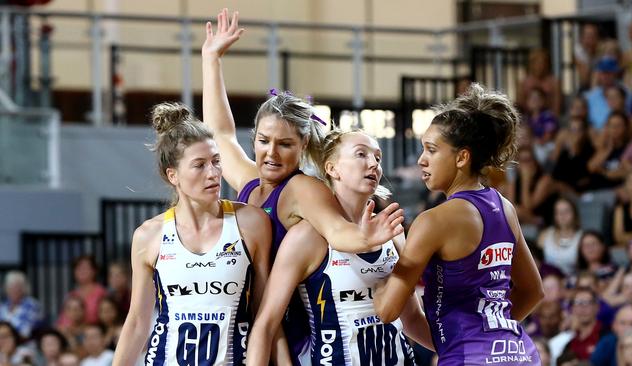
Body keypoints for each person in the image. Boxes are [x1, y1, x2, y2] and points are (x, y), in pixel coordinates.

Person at [201, 9, 404, 363]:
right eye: (264, 141)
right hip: (249, 323)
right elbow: (220, 133)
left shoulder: (301, 190)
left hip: (289, 333)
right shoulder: (250, 183)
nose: (272, 153)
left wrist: (369, 238)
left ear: (302, 147)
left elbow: (337, 230)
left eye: (286, 145)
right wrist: (211, 59)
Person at [373, 83, 544, 364]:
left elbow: (388, 310)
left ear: (462, 157)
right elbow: (533, 291)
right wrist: (489, 339)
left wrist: (376, 280)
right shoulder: (505, 207)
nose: (421, 160)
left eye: (431, 150)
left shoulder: (433, 221)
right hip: (518, 353)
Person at [247, 129, 432, 365]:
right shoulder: (308, 236)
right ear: (332, 168)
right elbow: (266, 325)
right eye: (361, 154)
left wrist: (463, 350)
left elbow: (412, 319)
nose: (373, 164)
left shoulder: (390, 233)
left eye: (377, 157)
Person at [113, 102, 274, 365]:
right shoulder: (149, 236)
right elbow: (138, 322)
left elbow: (265, 314)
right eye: (199, 165)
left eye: (216, 161)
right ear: (173, 175)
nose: (213, 173)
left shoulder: (251, 223)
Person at [57, 255, 107, 326]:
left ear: (94, 271)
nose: (81, 271)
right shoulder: (71, 295)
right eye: (78, 268)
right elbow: (63, 320)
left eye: (85, 268)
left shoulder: (102, 293)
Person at [0, 270, 43, 338]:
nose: (14, 290)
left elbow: (26, 332)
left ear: (24, 289)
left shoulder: (32, 305)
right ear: (6, 288)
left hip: (25, 344)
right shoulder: (3, 306)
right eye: (10, 286)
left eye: (17, 287)